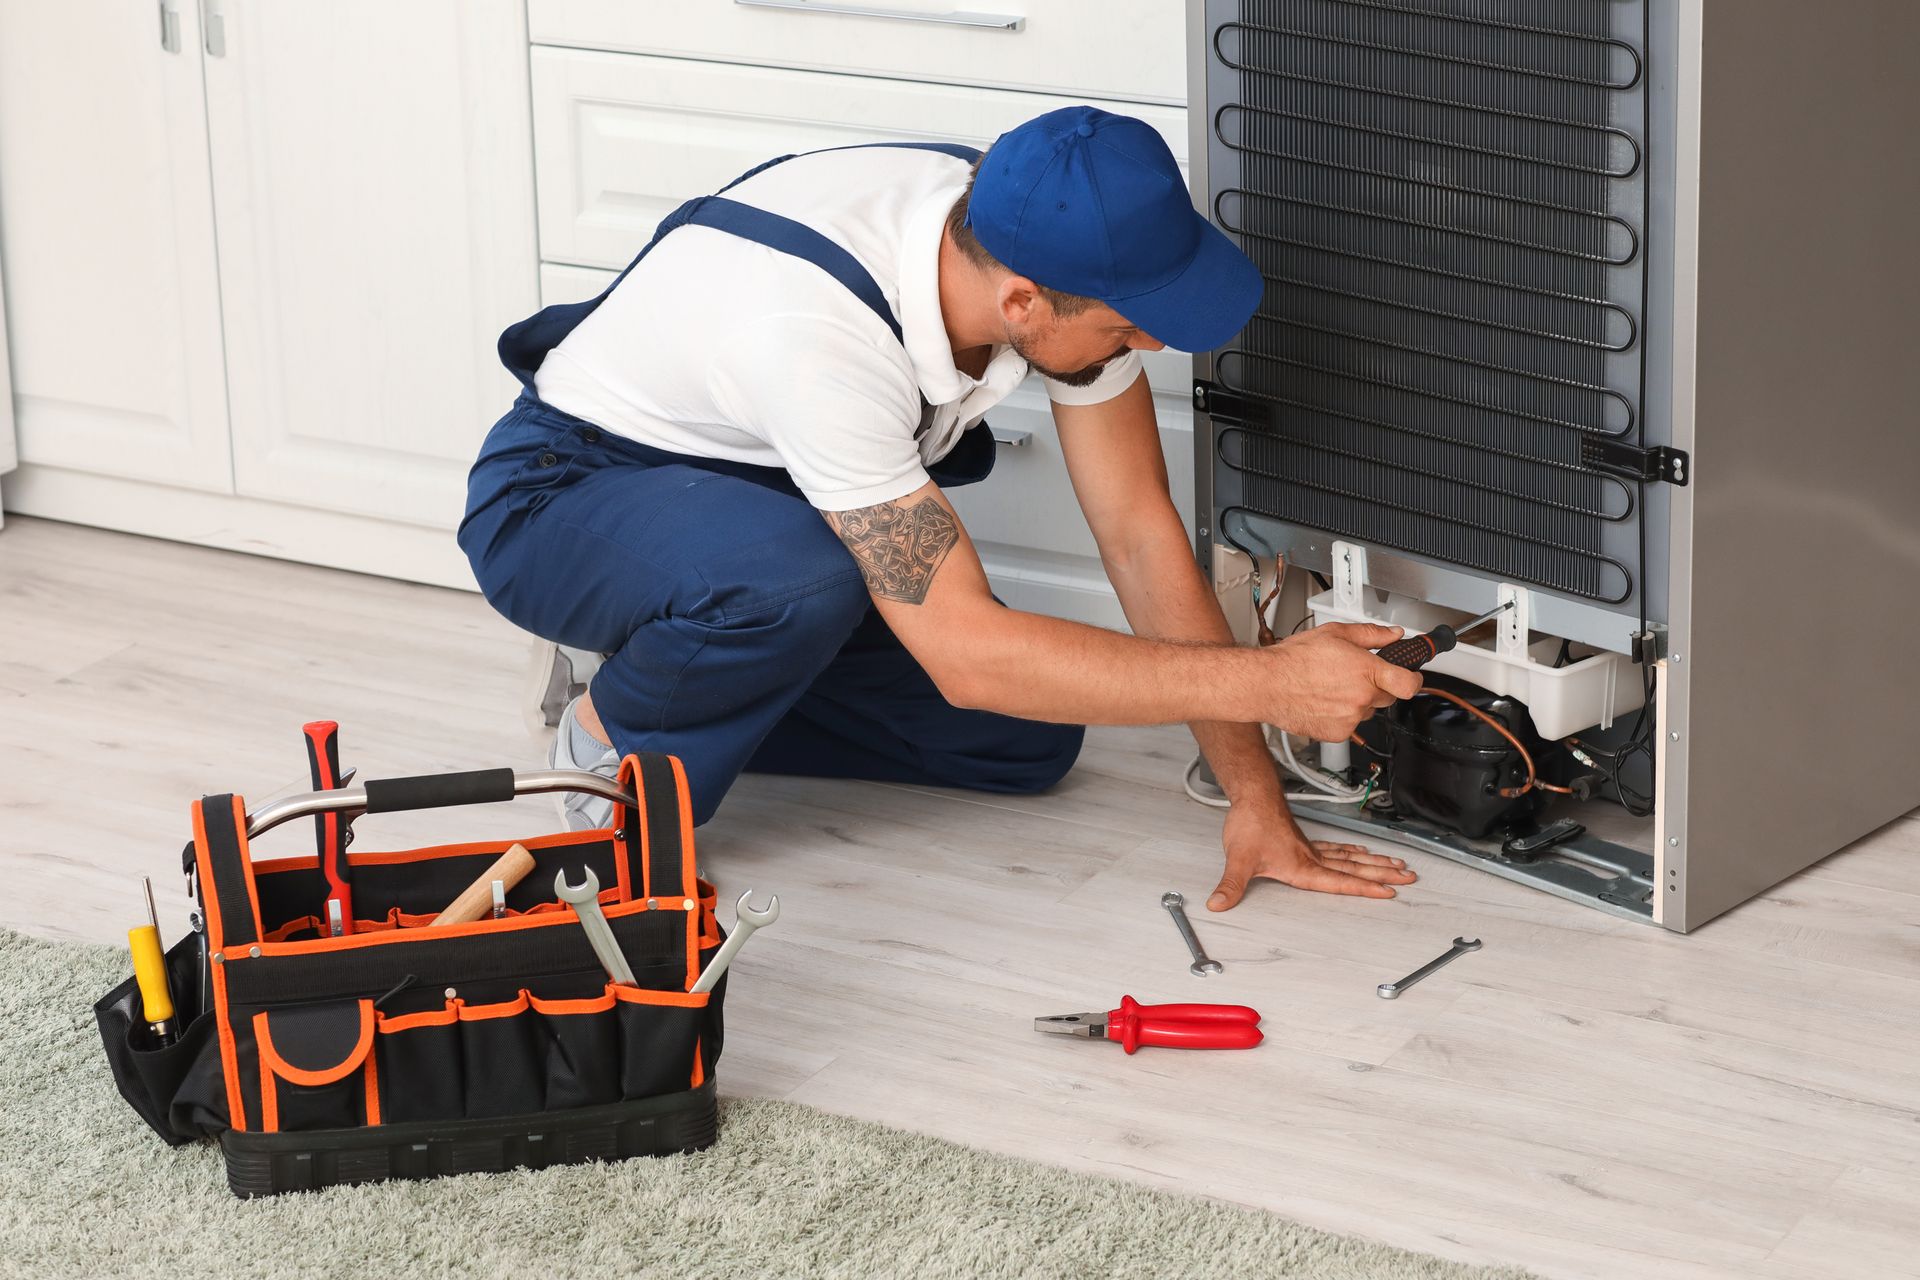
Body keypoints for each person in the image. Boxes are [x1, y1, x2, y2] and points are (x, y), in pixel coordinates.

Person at [458, 105, 1423, 911]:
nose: (1153, 348)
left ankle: (673, 673)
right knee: (803, 589)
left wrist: (1252, 795)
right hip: (570, 497)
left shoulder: (1030, 220)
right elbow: (968, 657)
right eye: (1130, 328)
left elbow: (1136, 531)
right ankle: (610, 745)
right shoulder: (815, 340)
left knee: (1025, 736)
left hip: (762, 487)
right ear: (1021, 307)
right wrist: (1269, 684)